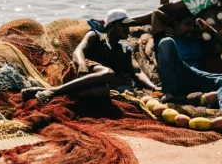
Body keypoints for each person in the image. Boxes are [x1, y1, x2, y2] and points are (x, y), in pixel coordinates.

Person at [22, 9, 155, 103]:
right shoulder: (96, 36)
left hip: (96, 83)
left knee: (103, 92)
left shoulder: (125, 50)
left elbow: (137, 72)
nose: (127, 29)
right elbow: (78, 52)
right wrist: (81, 64)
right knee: (108, 72)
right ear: (111, 26)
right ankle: (54, 91)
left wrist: (153, 87)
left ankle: (47, 91)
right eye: (123, 26)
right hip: (81, 73)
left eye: (128, 26)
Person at [151, 7, 222, 115]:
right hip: (176, 75)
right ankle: (169, 94)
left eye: (193, 25)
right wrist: (173, 24)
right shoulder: (169, 41)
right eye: (187, 24)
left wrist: (208, 29)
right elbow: (156, 14)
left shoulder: (198, 43)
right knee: (165, 42)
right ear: (176, 24)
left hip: (195, 77)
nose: (191, 28)